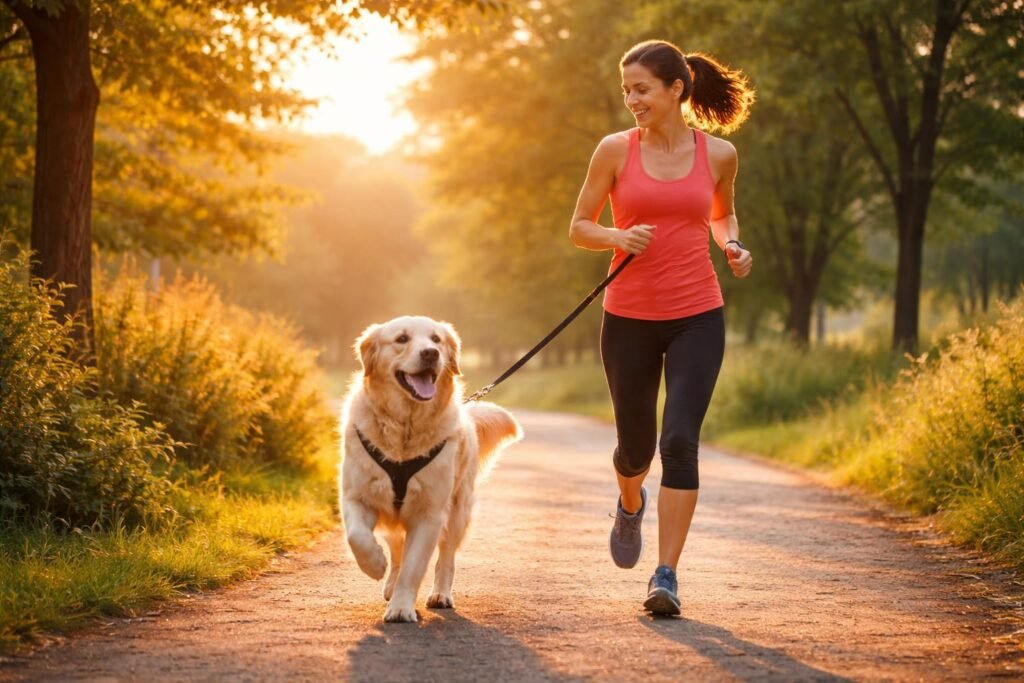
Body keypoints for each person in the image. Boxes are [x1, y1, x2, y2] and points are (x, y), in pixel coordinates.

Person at [568, 39, 754, 616]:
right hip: (627, 317)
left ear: (677, 90)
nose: (632, 100)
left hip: (698, 312)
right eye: (626, 90)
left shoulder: (719, 155)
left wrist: (732, 244)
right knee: (635, 448)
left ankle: (666, 575)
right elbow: (579, 225)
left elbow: (720, 212)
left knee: (679, 440)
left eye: (642, 89)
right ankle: (629, 503)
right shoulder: (614, 151)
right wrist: (617, 237)